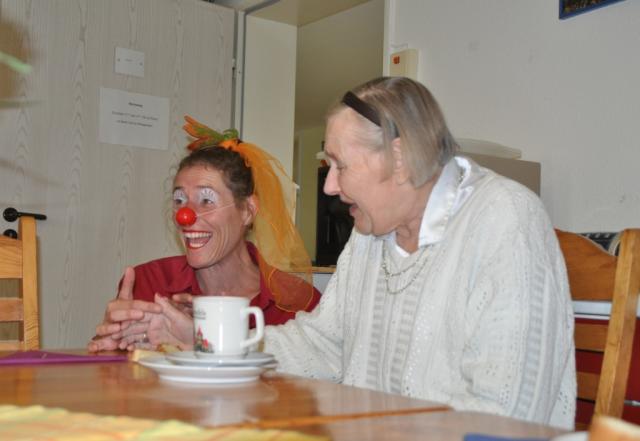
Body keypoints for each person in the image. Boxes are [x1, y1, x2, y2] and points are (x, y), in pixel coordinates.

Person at [259, 77, 576, 429]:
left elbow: (508, 412)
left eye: (341, 166)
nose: (330, 186)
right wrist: (224, 346)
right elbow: (324, 343)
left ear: (398, 158)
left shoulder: (505, 218)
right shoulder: (368, 234)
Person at [88, 117, 320, 352]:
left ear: (248, 211)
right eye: (179, 200)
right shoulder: (148, 283)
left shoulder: (299, 303)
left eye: (207, 200)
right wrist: (111, 347)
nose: (185, 216)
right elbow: (110, 369)